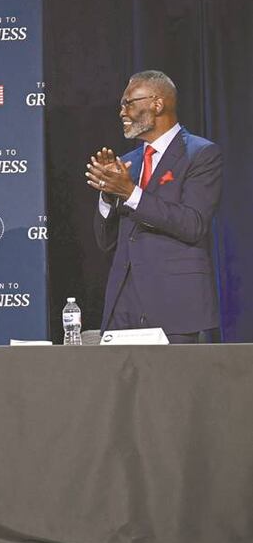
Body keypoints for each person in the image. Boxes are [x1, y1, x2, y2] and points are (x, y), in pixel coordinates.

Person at [85, 70, 222, 343]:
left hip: (175, 304)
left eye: (129, 103)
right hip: (123, 305)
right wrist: (107, 195)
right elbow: (106, 241)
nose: (122, 112)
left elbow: (193, 224)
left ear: (157, 104)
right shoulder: (128, 163)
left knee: (173, 385)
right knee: (121, 387)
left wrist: (130, 192)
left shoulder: (201, 154)